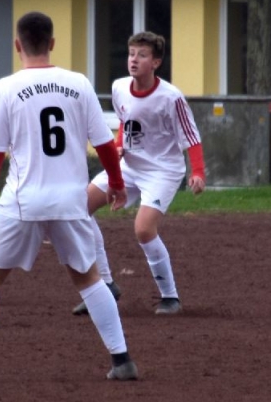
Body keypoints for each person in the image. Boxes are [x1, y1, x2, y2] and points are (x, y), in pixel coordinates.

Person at [0, 11, 138, 383]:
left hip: (23, 201)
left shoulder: (6, 87)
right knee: (90, 280)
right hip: (71, 201)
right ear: (52, 43)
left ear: (17, 45)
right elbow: (105, 144)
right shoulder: (79, 83)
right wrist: (117, 183)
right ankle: (122, 360)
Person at [71, 31, 206, 317]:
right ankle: (106, 284)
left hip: (162, 171)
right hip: (129, 166)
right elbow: (126, 121)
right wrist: (119, 146)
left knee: (144, 229)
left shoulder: (171, 97)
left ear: (156, 62)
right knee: (78, 209)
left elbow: (192, 137)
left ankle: (170, 297)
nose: (134, 60)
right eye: (131, 54)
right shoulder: (119, 87)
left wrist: (198, 172)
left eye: (142, 55)